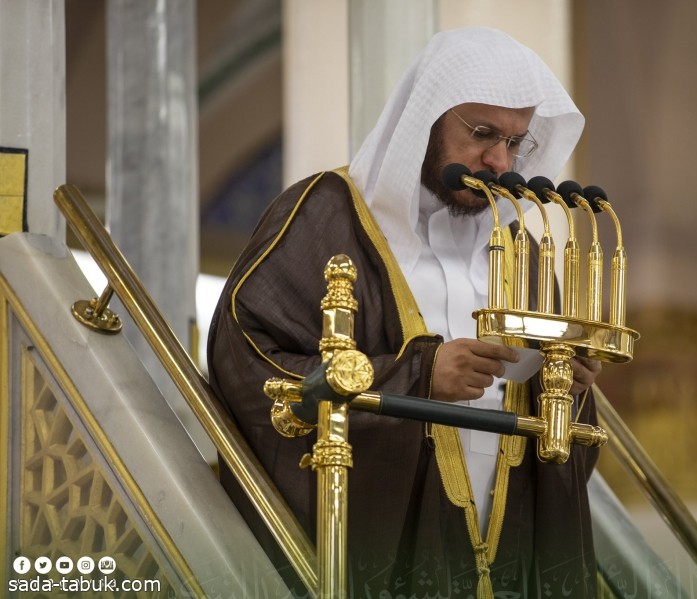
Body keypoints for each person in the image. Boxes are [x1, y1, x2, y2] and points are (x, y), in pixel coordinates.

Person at [207, 27, 603, 597]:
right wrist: (417, 378)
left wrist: (570, 381)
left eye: (515, 143)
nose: (498, 160)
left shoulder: (523, 253)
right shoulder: (328, 217)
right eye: (483, 133)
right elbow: (248, 371)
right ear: (426, 119)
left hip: (514, 551)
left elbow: (566, 436)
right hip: (382, 553)